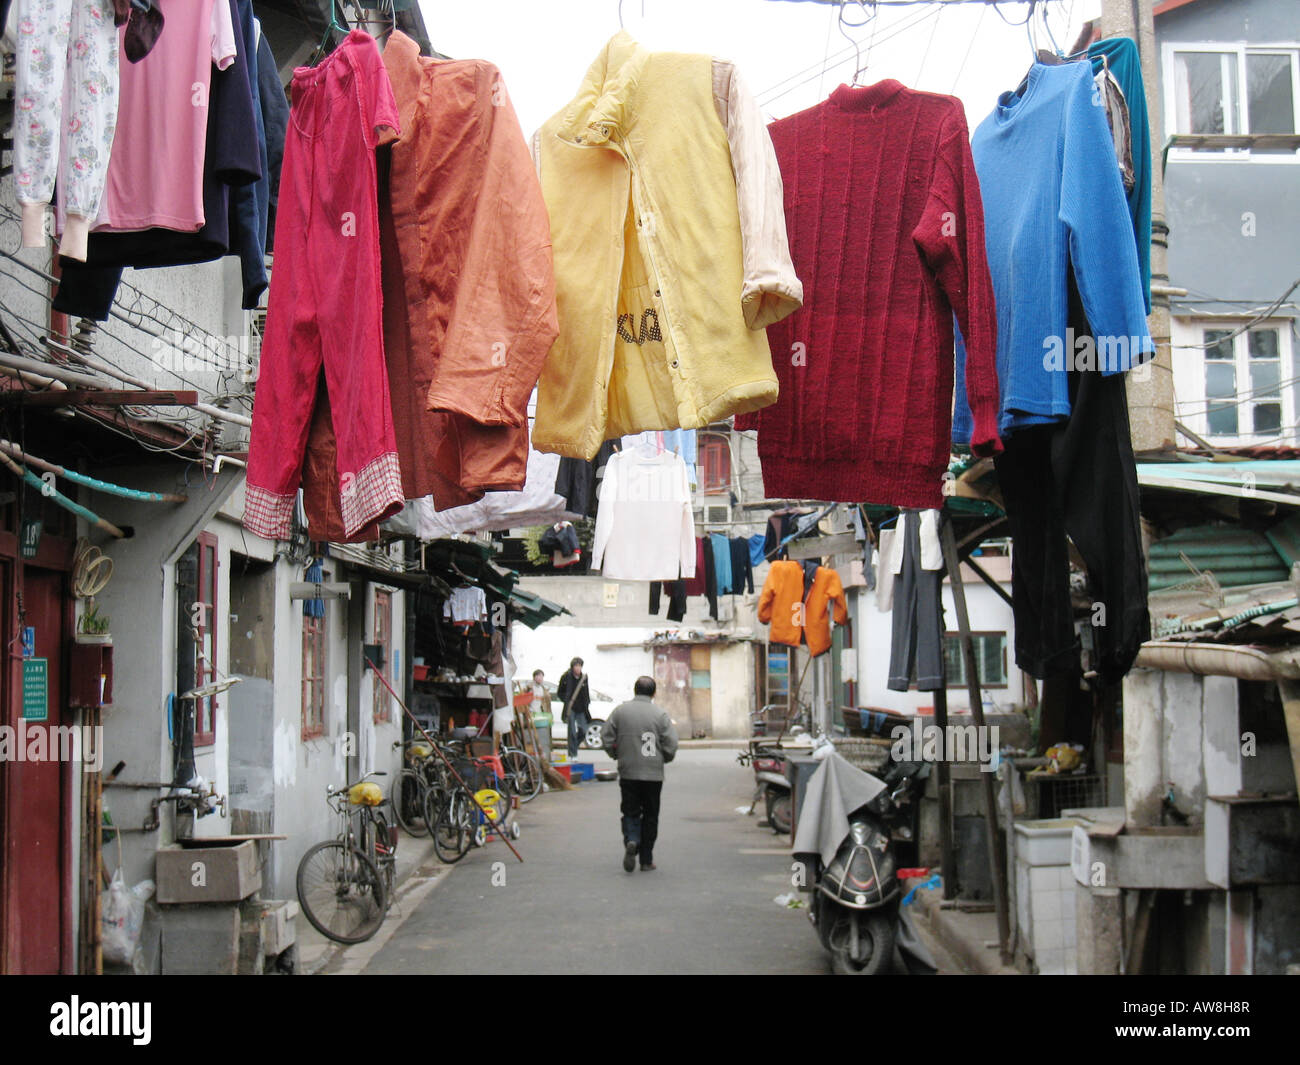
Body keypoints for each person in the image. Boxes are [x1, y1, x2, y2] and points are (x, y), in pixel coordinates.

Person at [601, 676, 679, 872]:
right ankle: (646, 860)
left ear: (635, 690)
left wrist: (615, 753)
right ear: (653, 693)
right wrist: (664, 759)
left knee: (630, 811)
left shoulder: (620, 711)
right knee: (651, 815)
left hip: (628, 772)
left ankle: (632, 839)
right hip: (653, 774)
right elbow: (671, 744)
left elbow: (606, 736)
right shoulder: (660, 714)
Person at [557, 656, 590, 759]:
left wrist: (587, 702)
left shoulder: (584, 677)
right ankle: (573, 754)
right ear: (572, 667)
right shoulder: (566, 677)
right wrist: (567, 701)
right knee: (571, 731)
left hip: (581, 708)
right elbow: (559, 692)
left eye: (580, 666)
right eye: (576, 666)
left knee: (584, 730)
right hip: (570, 708)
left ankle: (574, 746)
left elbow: (586, 692)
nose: (578, 668)